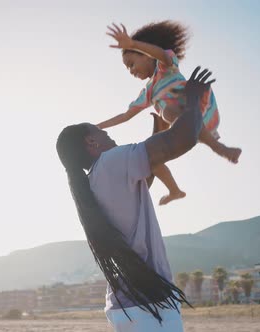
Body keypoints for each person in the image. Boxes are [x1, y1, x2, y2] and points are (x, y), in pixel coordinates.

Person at [57, 66, 215, 331]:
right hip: (148, 309)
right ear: (91, 143)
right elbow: (184, 138)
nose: (109, 134)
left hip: (130, 306)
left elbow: (147, 177)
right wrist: (193, 99)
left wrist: (157, 130)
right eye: (101, 132)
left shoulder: (97, 179)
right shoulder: (111, 161)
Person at [98, 21, 242, 206]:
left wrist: (132, 44)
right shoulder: (148, 92)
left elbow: (161, 54)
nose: (131, 71)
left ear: (147, 57)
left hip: (197, 108)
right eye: (128, 69)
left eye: (132, 63)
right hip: (185, 127)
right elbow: (126, 116)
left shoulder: (165, 68)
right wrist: (99, 126)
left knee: (167, 111)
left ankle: (220, 148)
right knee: (149, 159)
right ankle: (174, 190)